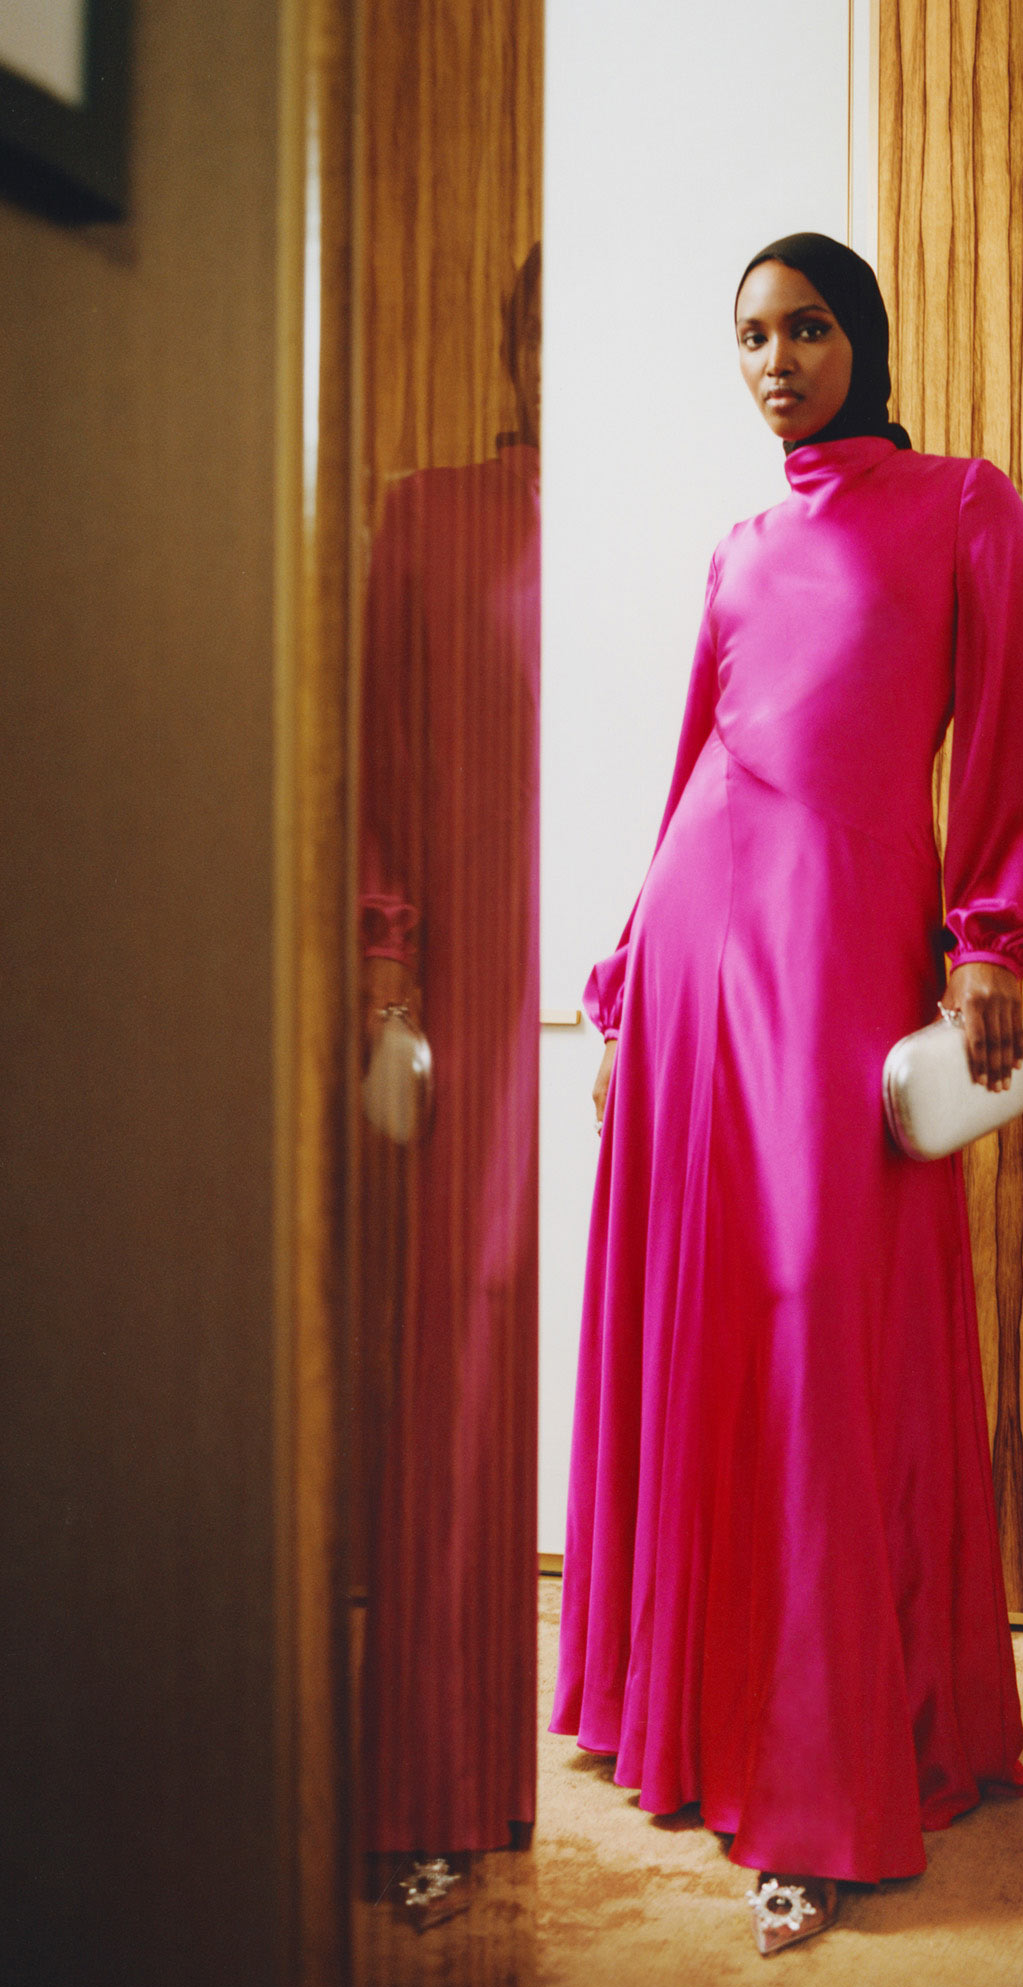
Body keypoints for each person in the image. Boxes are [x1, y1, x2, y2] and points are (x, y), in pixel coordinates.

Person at [550, 232, 1023, 1955]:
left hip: (844, 971)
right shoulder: (736, 548)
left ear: (859, 336)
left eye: (803, 329)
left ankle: (827, 1780)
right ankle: (710, 1732)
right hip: (709, 967)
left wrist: (992, 946)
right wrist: (630, 974)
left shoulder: (964, 508)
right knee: (715, 1330)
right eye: (750, 337)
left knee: (820, 1337)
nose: (775, 360)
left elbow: (1013, 737)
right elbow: (697, 767)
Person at [356, 247, 541, 1868]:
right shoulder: (428, 515)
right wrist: (390, 983)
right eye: (552, 322)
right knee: (464, 1385)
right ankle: (427, 1784)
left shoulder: (715, 529)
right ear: (515, 335)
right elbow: (386, 768)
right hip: (482, 1014)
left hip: (670, 1008)